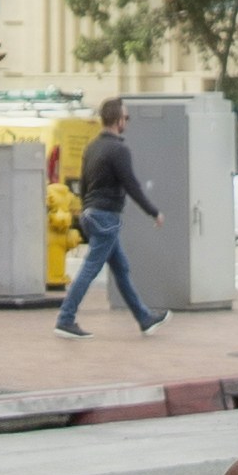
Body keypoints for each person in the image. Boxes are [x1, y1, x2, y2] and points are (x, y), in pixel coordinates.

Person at [55, 97, 163, 340]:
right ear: (117, 120)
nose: (127, 122)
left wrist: (86, 209)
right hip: (106, 216)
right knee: (90, 268)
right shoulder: (118, 150)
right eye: (126, 117)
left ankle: (144, 319)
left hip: (92, 213)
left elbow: (83, 183)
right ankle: (65, 319)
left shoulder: (92, 147)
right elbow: (132, 185)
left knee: (121, 268)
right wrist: (153, 212)